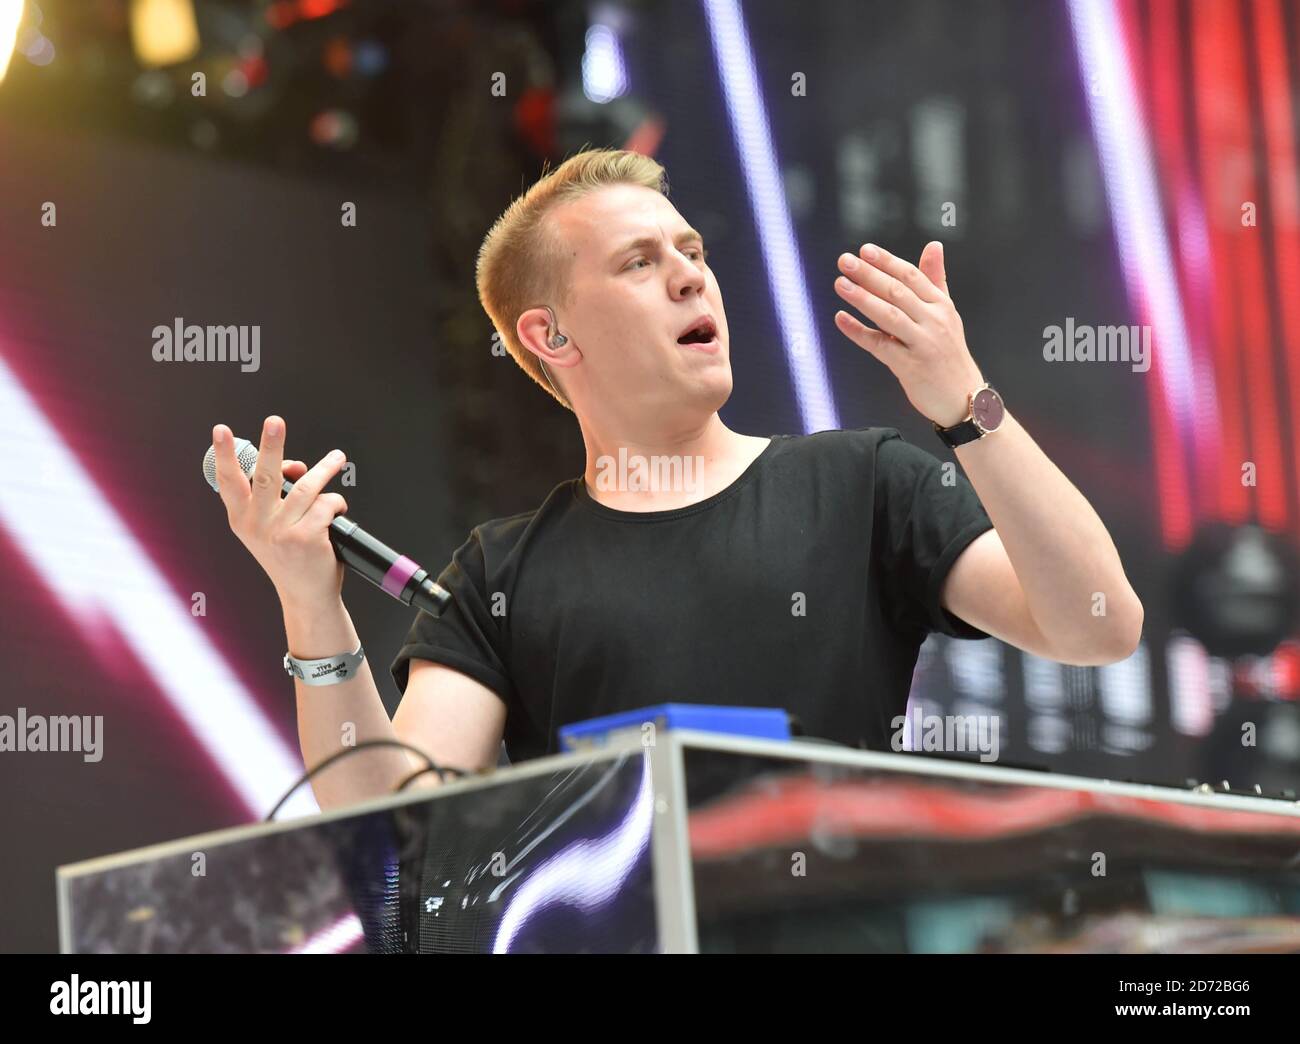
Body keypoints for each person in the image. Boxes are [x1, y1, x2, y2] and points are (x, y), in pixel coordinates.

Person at [211, 148, 1142, 812]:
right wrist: (310, 601)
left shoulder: (862, 483)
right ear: (551, 336)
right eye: (640, 263)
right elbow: (390, 818)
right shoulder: (500, 578)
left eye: (692, 252)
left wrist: (965, 404)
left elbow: (1097, 625)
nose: (692, 278)